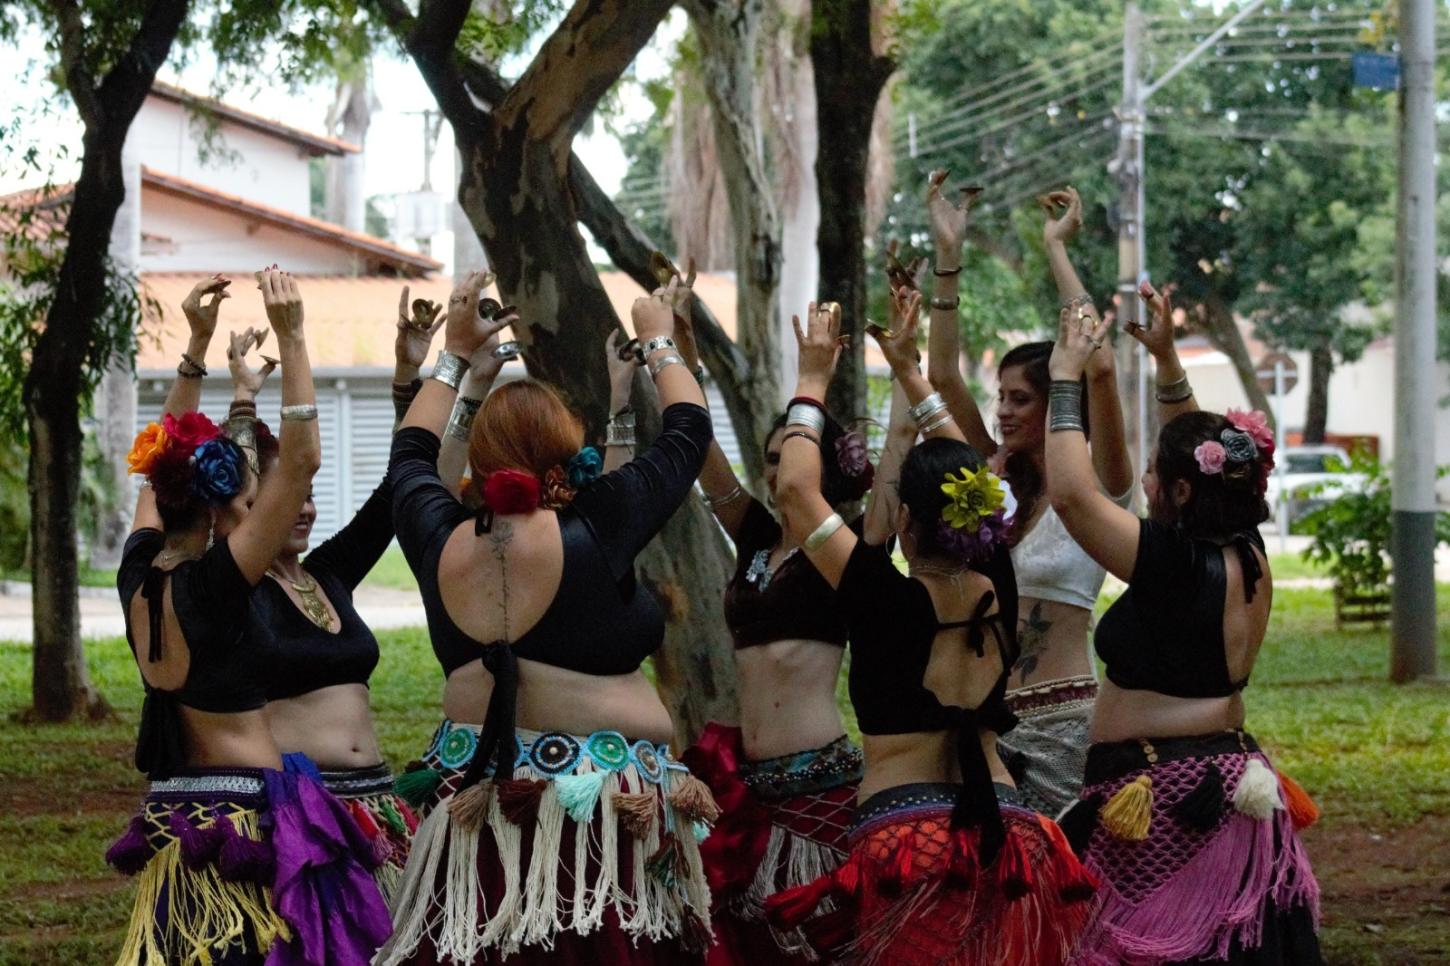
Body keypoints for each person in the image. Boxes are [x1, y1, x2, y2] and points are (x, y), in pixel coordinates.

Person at [376, 272, 718, 964]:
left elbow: (409, 453)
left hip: (478, 810)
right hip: (599, 822)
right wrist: (658, 340)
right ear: (567, 457)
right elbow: (689, 430)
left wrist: (454, 354)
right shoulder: (600, 521)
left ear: (479, 461)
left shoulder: (434, 532)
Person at [764, 296, 1095, 965]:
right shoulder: (998, 578)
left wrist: (812, 379)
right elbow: (963, 462)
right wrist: (908, 376)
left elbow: (798, 491)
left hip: (910, 842)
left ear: (908, 521)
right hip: (1011, 829)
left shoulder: (879, 592)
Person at [107, 270, 391, 964]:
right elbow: (300, 460)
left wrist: (195, 348)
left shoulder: (137, 575)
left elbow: (157, 468)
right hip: (248, 826)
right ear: (215, 511)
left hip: (179, 822)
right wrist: (294, 339)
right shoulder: (215, 588)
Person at [593, 270, 877, 963]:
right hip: (746, 783)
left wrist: (817, 373)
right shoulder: (755, 532)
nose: (779, 474)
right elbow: (703, 458)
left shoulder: (844, 547)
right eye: (773, 459)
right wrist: (675, 353)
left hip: (818, 785)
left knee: (821, 941)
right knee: (746, 943)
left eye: (792, 461)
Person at [1045, 287, 1322, 964]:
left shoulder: (1172, 564)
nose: (1142, 482)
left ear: (1184, 490)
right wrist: (1167, 360)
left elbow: (1073, 495)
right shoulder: (1246, 554)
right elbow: (1197, 452)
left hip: (1163, 799)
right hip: (1221, 781)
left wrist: (1064, 377)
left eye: (1151, 475)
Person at [220, 288, 447, 904]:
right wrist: (243, 400)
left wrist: (412, 381)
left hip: (378, 809)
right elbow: (220, 482)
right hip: (303, 818)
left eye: (309, 494)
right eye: (283, 496)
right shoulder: (228, 590)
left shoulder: (329, 574)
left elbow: (394, 493)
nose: (303, 508)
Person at [923, 176, 1133, 816]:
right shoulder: (993, 480)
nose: (1005, 412)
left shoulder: (1100, 484)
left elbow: (1098, 364)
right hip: (986, 717)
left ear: (1056, 402)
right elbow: (938, 376)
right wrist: (948, 258)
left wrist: (1056, 249)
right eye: (1001, 399)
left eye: (1021, 399)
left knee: (1066, 886)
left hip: (1065, 718)